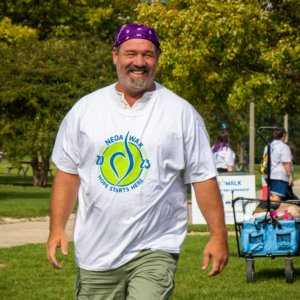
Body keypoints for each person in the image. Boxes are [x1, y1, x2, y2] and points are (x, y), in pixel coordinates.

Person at [46, 23, 229, 300]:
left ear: (158, 57)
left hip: (155, 247)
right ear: (115, 55)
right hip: (96, 251)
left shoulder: (181, 113)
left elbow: (203, 177)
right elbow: (68, 172)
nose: (139, 62)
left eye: (148, 54)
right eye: (131, 53)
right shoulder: (85, 110)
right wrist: (56, 227)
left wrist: (218, 234)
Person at [261, 127, 293, 203]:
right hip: (279, 176)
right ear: (284, 135)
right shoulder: (284, 147)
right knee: (276, 197)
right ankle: (273, 213)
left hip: (268, 175)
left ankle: (272, 212)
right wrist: (290, 176)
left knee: (272, 196)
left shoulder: (268, 146)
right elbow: (286, 163)